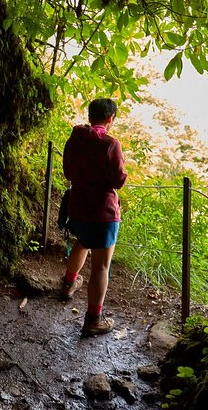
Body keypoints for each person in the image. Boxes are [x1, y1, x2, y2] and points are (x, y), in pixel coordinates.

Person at [60, 98, 127, 336]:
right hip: (103, 213)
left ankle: (68, 284)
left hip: (77, 207)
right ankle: (93, 319)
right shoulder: (111, 144)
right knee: (101, 266)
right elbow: (118, 180)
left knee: (83, 242)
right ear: (110, 118)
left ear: (90, 116)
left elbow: (67, 172)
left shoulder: (74, 139)